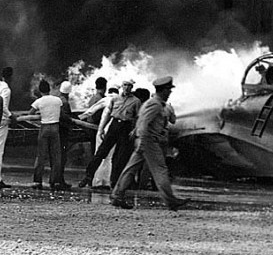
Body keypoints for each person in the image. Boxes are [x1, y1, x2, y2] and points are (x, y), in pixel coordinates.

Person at [110, 76, 190, 211]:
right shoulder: (155, 104)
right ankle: (171, 201)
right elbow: (144, 123)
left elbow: (141, 121)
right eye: (168, 90)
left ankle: (117, 195)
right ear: (163, 91)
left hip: (144, 141)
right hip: (149, 141)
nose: (170, 93)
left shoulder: (151, 103)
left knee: (131, 169)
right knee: (160, 170)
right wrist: (144, 140)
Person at [78, 79, 141, 189]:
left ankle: (114, 182)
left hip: (125, 128)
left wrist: (134, 130)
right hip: (114, 125)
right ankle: (88, 175)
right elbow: (107, 114)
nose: (126, 87)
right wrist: (101, 128)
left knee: (119, 156)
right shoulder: (115, 99)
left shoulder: (136, 101)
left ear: (132, 88)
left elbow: (138, 117)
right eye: (125, 85)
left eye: (129, 86)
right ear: (122, 86)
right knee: (101, 152)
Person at [29, 79, 64, 191]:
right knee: (56, 156)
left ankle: (37, 181)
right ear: (49, 89)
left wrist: (39, 119)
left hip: (44, 127)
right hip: (55, 128)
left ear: (40, 91)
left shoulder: (39, 102)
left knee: (41, 155)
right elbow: (62, 114)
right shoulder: (58, 100)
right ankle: (54, 181)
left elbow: (30, 114)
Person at [57, 81, 76, 189]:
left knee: (58, 156)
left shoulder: (58, 99)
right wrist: (71, 121)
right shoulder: (65, 103)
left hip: (58, 130)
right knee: (62, 157)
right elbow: (65, 117)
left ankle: (57, 179)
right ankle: (60, 180)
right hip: (63, 131)